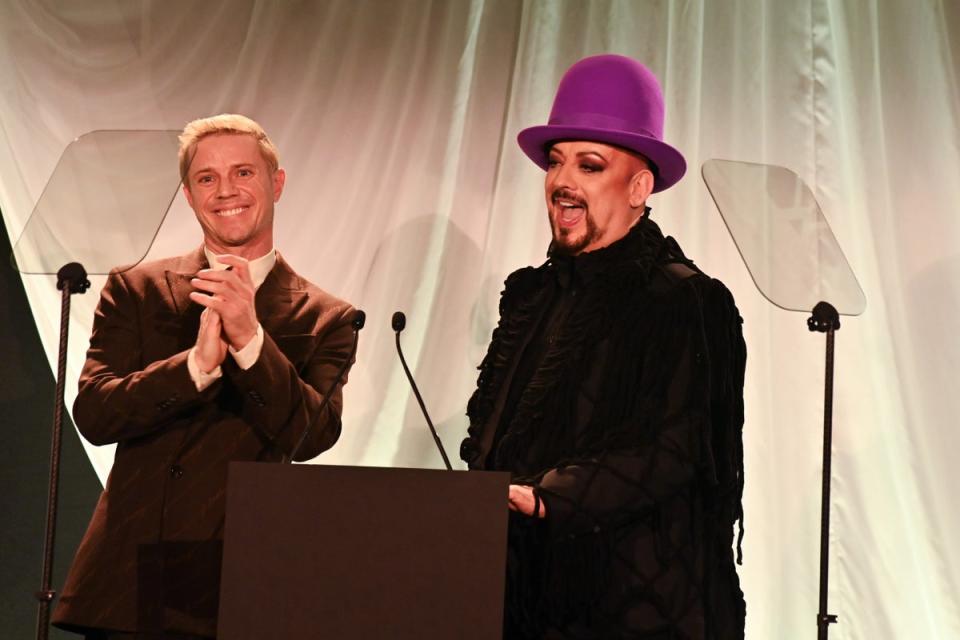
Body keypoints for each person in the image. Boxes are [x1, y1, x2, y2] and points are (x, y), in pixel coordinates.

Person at [461, 55, 747, 638]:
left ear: (640, 186)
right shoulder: (530, 294)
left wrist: (547, 499)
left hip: (631, 604)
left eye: (589, 166)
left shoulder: (686, 300)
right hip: (520, 594)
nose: (562, 182)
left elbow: (677, 449)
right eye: (555, 162)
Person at [52, 114, 357, 639]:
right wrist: (194, 367)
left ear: (276, 183)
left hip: (239, 580)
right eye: (207, 179)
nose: (226, 191)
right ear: (190, 196)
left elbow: (313, 436)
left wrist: (251, 343)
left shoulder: (326, 316)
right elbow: (96, 414)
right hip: (129, 584)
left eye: (243, 173)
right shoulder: (136, 288)